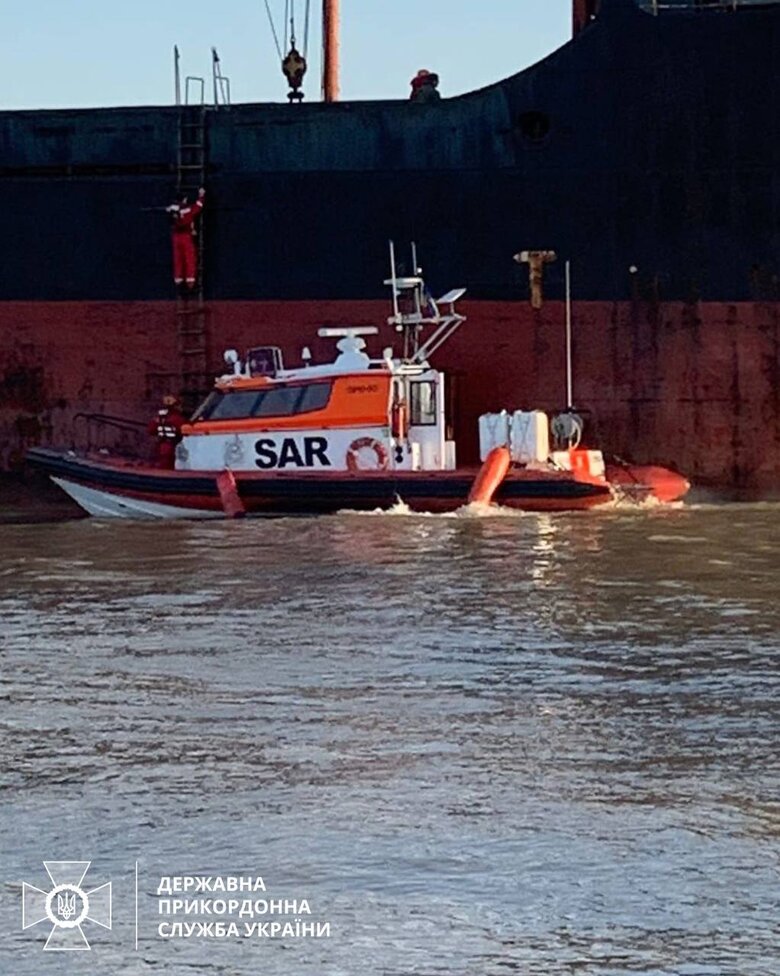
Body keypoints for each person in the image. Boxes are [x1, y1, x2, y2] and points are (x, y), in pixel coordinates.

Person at [167, 187, 205, 294]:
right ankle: (190, 283)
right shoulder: (187, 208)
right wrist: (201, 195)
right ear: (184, 199)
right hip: (186, 236)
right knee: (189, 257)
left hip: (175, 236)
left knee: (178, 258)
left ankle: (178, 282)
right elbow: (198, 206)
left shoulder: (171, 208)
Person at [148, 395, 186, 469]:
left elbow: (151, 430)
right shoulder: (177, 419)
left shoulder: (158, 419)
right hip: (173, 448)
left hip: (161, 447)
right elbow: (184, 431)